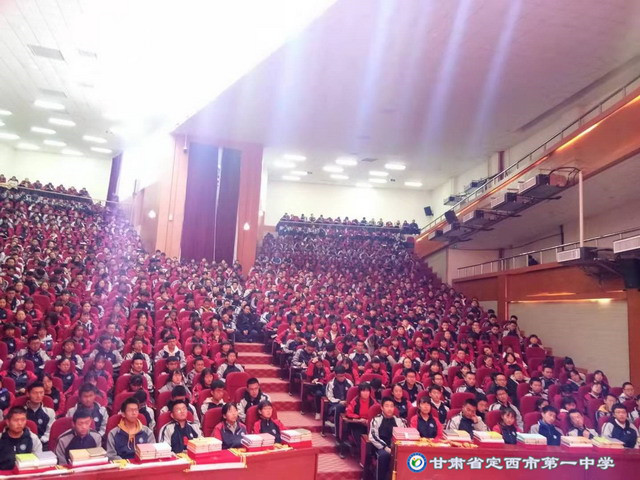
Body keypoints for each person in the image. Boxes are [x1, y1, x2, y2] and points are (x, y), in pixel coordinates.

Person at [369, 397, 405, 480]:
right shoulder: (376, 420)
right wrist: (385, 447)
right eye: (387, 406)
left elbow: (404, 435)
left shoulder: (399, 421)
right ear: (382, 408)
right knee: (384, 455)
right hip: (381, 448)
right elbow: (373, 436)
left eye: (391, 406)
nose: (389, 409)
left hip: (396, 447)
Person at [24, 381, 56, 445]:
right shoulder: (21, 412)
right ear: (28, 394)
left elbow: (50, 432)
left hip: (43, 443)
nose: (38, 396)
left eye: (41, 393)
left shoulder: (50, 412)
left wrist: (40, 441)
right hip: (24, 443)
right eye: (35, 393)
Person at [325, 365, 353, 434]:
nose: (342, 378)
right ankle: (337, 431)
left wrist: (347, 402)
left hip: (347, 404)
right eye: (340, 376)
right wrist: (339, 401)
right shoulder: (331, 384)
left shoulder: (349, 383)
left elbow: (353, 395)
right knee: (339, 407)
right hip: (334, 404)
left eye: (343, 376)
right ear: (335, 375)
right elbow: (330, 397)